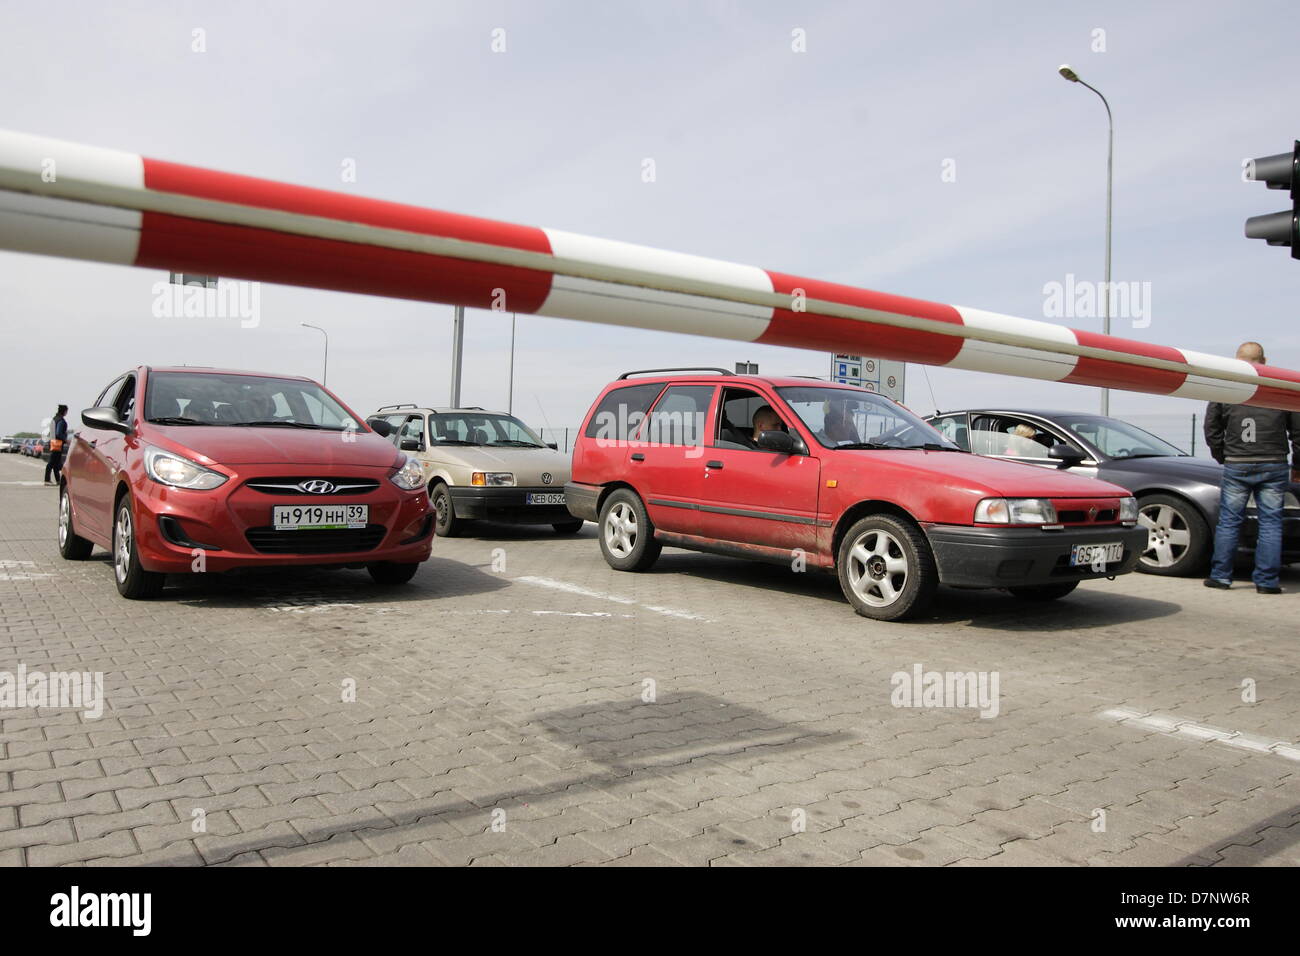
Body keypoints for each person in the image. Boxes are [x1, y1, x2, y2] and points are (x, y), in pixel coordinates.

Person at [1203, 341, 1300, 594]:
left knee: (1229, 522)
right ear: (1264, 361)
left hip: (1237, 463)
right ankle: (1267, 582)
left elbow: (1211, 428)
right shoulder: (1280, 385)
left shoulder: (1226, 385)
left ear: (1237, 360)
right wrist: (1297, 465)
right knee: (1271, 523)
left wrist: (1221, 455)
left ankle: (1221, 577)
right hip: (1274, 463)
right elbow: (1298, 433)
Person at [44, 404, 68, 485]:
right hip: (57, 443)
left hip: (52, 442)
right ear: (64, 411)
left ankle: (58, 480)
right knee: (52, 462)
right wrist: (65, 439)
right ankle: (47, 480)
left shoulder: (54, 419)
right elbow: (58, 433)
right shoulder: (61, 420)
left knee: (56, 463)